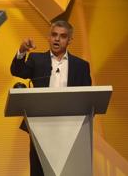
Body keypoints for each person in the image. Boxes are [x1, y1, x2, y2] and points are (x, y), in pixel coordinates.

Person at [10, 20, 91, 176]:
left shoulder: (81, 65)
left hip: (70, 129)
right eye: (54, 35)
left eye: (62, 36)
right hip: (39, 125)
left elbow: (86, 98)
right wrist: (22, 51)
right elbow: (17, 70)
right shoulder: (36, 59)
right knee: (39, 171)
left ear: (69, 40)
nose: (57, 39)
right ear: (48, 37)